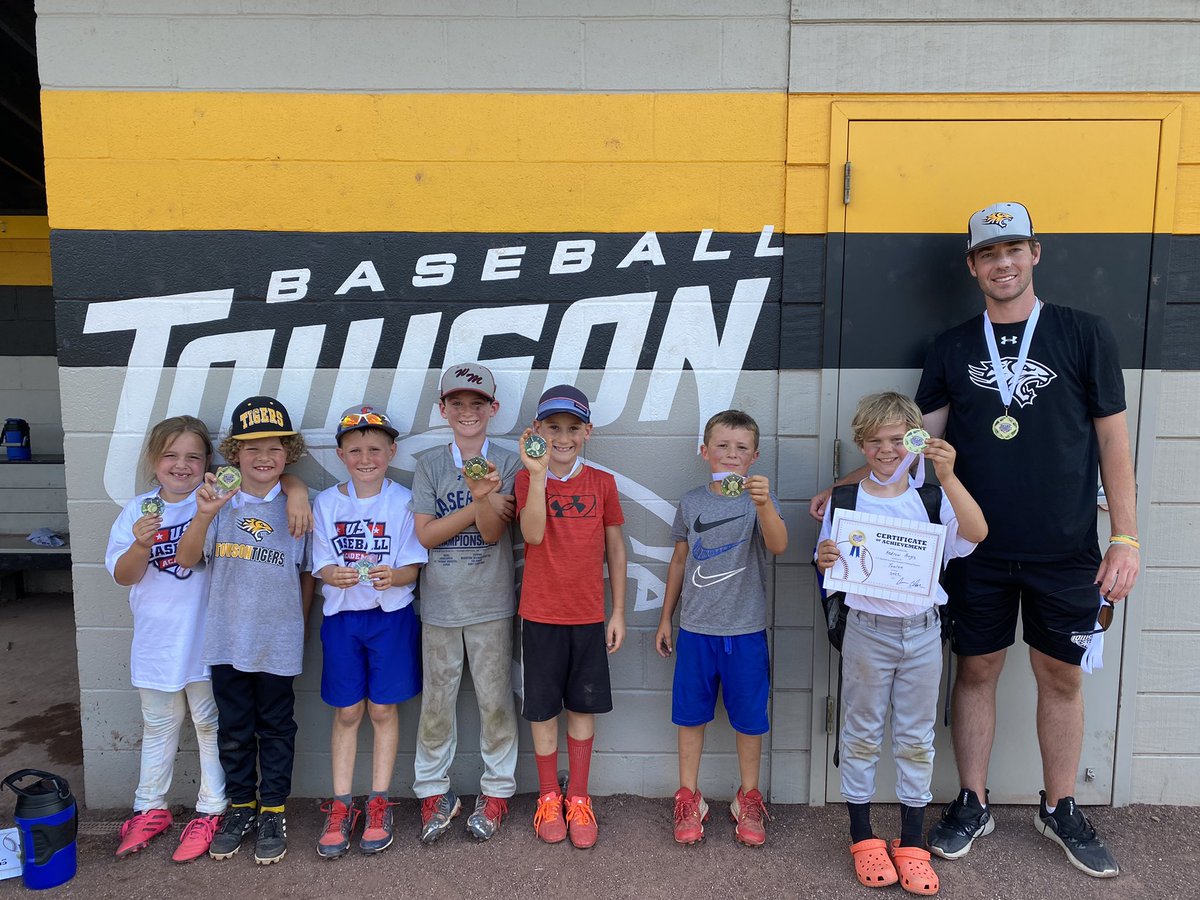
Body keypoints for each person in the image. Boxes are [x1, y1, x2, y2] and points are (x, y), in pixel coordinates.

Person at [811, 202, 1139, 879]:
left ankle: (1061, 805)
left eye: (1014, 250)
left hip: (1066, 546)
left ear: (1035, 254)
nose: (1003, 263)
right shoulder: (954, 346)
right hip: (970, 547)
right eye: (990, 255)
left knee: (1061, 677)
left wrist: (1126, 537)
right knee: (978, 670)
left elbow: (1113, 440)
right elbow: (909, 444)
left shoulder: (1084, 334)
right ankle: (972, 800)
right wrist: (841, 491)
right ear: (973, 265)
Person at [815, 393, 986, 894]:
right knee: (862, 732)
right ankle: (863, 836)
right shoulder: (846, 501)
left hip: (923, 631)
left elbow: (977, 533)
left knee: (915, 738)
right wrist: (826, 556)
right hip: (867, 629)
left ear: (916, 441)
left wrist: (949, 476)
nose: (887, 451)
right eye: (875, 442)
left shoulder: (933, 498)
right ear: (861, 445)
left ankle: (911, 842)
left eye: (898, 440)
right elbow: (829, 562)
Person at [176, 395, 315, 866]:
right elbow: (187, 558)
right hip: (226, 641)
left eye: (274, 448)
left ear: (289, 453)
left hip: (277, 641)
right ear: (234, 453)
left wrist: (297, 628)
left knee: (276, 727)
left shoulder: (299, 507)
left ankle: (273, 809)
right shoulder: (218, 502)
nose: (263, 457)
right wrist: (204, 515)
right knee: (234, 730)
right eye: (251, 447)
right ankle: (241, 807)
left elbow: (306, 577)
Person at [654, 410, 788, 848]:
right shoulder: (692, 500)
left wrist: (764, 503)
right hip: (695, 630)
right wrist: (665, 618)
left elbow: (779, 545)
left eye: (742, 448)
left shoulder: (760, 499)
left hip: (745, 630)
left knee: (749, 721)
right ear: (705, 450)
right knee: (690, 717)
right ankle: (689, 796)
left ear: (755, 455)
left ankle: (747, 796)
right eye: (723, 446)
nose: (731, 455)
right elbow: (678, 560)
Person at [106, 416, 226, 863]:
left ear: (207, 463)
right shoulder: (137, 510)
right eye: (170, 456)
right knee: (158, 724)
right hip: (156, 641)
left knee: (210, 723)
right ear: (154, 462)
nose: (182, 465)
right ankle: (149, 806)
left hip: (206, 638)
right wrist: (140, 546)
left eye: (193, 456)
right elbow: (124, 576)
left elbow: (196, 558)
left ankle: (212, 808)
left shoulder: (217, 504)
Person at [409, 363, 520, 844]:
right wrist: (478, 502)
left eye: (477, 404)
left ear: (493, 408)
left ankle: (496, 790)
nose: (467, 412)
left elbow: (495, 533)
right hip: (438, 604)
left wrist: (486, 503)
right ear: (443, 410)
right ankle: (434, 790)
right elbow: (427, 535)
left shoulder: (510, 462)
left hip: (491, 602)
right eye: (457, 404)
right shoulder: (431, 463)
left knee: (496, 702)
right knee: (437, 703)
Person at [515, 384, 627, 849]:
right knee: (543, 712)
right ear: (538, 431)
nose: (563, 437)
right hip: (540, 614)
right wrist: (538, 476)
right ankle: (548, 797)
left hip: (587, 616)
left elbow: (616, 549)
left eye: (573, 428)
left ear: (587, 432)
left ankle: (578, 797)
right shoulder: (526, 479)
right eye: (553, 428)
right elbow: (533, 535)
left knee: (583, 708)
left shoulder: (602, 483)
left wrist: (618, 610)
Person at [312, 405, 427, 858]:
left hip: (390, 617)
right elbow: (319, 562)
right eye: (355, 449)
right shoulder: (326, 503)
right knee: (346, 712)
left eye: (375, 449)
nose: (366, 458)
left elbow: (414, 566)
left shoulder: (403, 500)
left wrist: (392, 576)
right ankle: (342, 805)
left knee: (382, 711)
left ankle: (379, 802)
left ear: (391, 451)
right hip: (343, 619)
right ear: (340, 454)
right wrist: (332, 574)